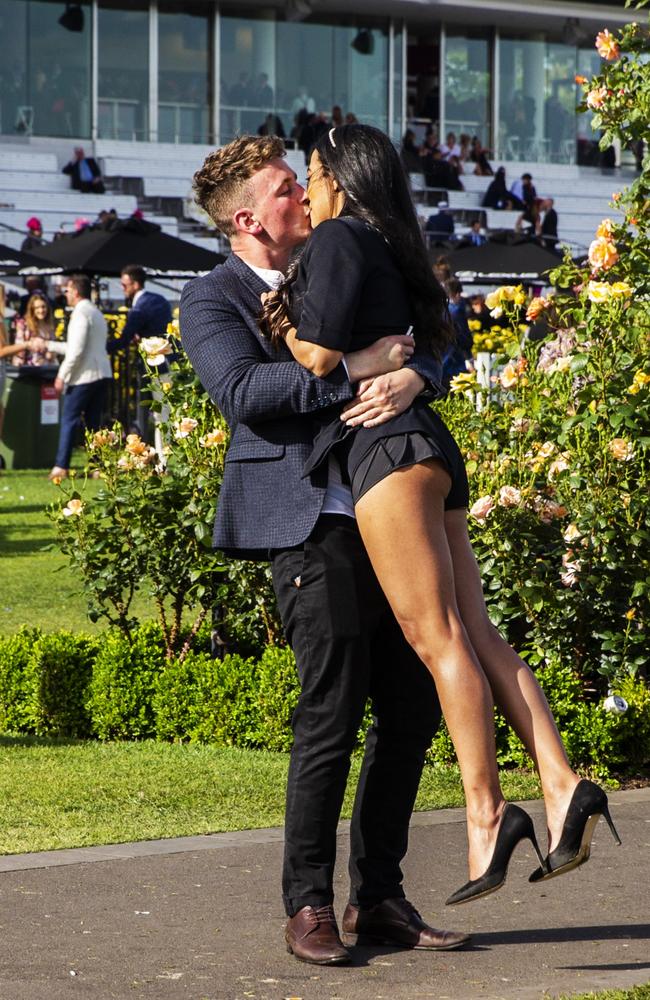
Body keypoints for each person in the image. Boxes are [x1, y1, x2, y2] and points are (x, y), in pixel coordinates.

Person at [262, 123, 620, 908]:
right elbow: (433, 341)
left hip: (385, 458)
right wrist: (411, 372)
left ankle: (488, 814)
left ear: (338, 180)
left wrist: (278, 319)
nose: (308, 191)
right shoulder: (392, 244)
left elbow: (318, 359)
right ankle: (563, 784)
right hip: (431, 450)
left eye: (314, 176)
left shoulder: (335, 240)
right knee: (478, 630)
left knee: (439, 639)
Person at [181, 134, 470, 966]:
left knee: (410, 714)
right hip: (311, 526)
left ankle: (379, 898)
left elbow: (431, 342)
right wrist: (354, 373)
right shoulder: (212, 297)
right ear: (247, 219)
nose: (303, 197)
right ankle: (307, 903)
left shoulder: (351, 252)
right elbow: (243, 392)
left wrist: (415, 376)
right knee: (330, 717)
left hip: (394, 509)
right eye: (283, 190)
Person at [45, 274, 111, 480]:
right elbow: (79, 347)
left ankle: (61, 466)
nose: (65, 294)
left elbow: (76, 351)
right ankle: (96, 466)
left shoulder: (80, 314)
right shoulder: (95, 312)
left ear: (75, 291)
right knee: (93, 422)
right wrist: (47, 345)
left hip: (85, 376)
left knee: (69, 419)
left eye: (67, 290)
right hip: (102, 373)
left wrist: (61, 376)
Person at [12, 293, 56, 366]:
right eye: (37, 308)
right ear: (32, 309)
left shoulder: (50, 325)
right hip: (28, 368)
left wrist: (51, 354)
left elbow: (53, 348)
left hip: (47, 368)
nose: (41, 310)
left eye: (43, 307)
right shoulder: (24, 325)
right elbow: (18, 348)